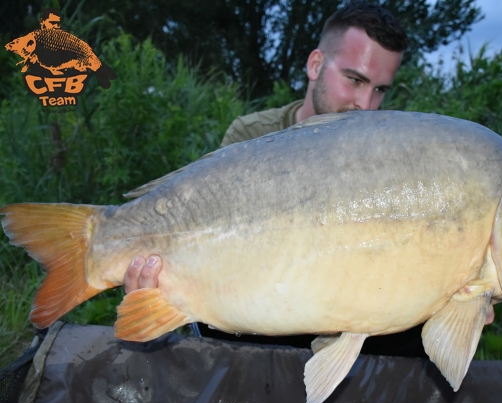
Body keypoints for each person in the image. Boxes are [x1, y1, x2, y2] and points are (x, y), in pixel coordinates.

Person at [124, 0, 408, 297]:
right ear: (316, 65)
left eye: (379, 90)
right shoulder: (253, 136)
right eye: (354, 80)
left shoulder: (381, 155)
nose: (365, 104)